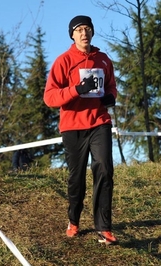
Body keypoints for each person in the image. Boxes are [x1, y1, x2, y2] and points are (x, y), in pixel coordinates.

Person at [44, 15, 118, 245]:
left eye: (87, 29)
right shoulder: (63, 61)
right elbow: (50, 97)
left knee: (104, 169)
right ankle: (73, 220)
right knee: (76, 179)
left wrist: (110, 97)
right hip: (73, 126)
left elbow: (112, 87)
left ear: (92, 32)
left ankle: (103, 227)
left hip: (99, 122)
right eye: (79, 30)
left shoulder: (104, 60)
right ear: (72, 35)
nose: (84, 33)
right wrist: (76, 89)